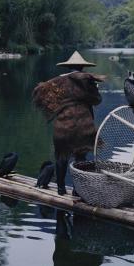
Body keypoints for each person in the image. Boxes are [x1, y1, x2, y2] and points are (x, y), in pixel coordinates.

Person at [33, 51, 105, 195]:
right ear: (82, 67)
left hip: (63, 126)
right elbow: (97, 100)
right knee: (80, 158)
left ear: (68, 67)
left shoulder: (56, 82)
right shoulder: (87, 80)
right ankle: (77, 191)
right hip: (83, 126)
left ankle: (60, 189)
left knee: (61, 156)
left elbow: (41, 94)